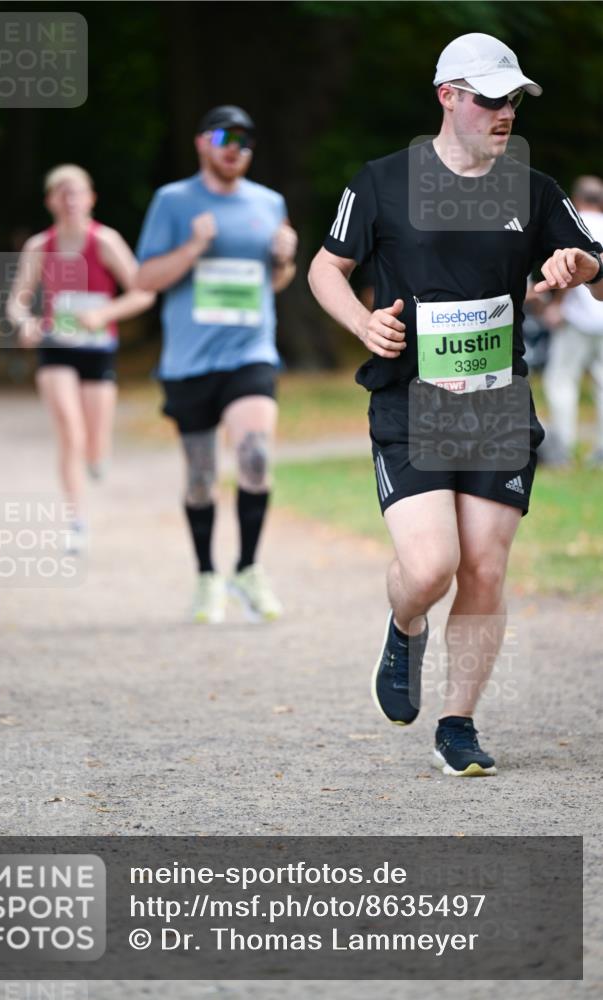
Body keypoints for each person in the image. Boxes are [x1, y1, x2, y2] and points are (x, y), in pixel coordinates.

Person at [309, 33, 603, 776]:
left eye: (512, 101)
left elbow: (589, 266)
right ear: (448, 97)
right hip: (410, 402)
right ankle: (404, 623)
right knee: (432, 566)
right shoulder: (381, 182)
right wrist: (359, 321)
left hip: (495, 402)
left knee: (484, 570)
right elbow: (325, 267)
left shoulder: (531, 191)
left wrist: (580, 261)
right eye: (489, 99)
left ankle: (457, 722)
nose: (504, 113)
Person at [135, 105, 297, 623]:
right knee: (202, 477)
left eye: (247, 140)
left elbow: (273, 283)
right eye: (227, 136)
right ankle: (207, 576)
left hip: (250, 354)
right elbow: (145, 279)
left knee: (254, 458)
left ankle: (247, 568)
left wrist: (286, 261)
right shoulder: (173, 201)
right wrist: (194, 246)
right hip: (189, 362)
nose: (237, 148)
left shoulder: (270, 204)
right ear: (202, 142)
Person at [7, 164, 155, 550]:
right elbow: (17, 301)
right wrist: (24, 322)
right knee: (69, 433)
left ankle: (97, 455)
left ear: (91, 198)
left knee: (93, 442)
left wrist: (104, 314)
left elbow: (143, 292)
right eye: (63, 193)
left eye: (78, 193)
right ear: (51, 201)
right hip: (56, 346)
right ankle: (76, 521)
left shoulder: (105, 241)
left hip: (97, 349)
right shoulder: (40, 246)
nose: (71, 200)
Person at [541, 176, 603, 465]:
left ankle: (562, 449)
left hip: (578, 321)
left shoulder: (575, 223)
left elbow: (569, 274)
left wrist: (555, 306)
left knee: (562, 381)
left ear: (577, 199)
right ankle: (600, 453)